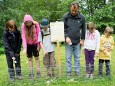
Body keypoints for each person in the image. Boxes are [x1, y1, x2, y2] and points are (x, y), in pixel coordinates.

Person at [62, 1, 86, 76]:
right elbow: (63, 28)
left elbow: (84, 29)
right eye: (72, 10)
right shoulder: (65, 16)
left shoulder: (82, 17)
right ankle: (68, 72)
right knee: (68, 58)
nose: (73, 12)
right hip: (68, 42)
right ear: (70, 8)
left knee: (77, 58)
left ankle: (77, 71)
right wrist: (66, 36)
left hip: (77, 42)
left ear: (78, 9)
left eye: (75, 11)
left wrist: (82, 39)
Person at [21, 14, 41, 79]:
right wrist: (25, 48)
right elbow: (23, 37)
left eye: (29, 22)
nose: (28, 24)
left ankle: (38, 72)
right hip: (28, 45)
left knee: (37, 58)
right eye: (27, 23)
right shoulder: (23, 26)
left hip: (35, 44)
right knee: (29, 59)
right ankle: (31, 73)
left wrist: (38, 45)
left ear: (31, 21)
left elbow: (39, 34)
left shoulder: (36, 24)